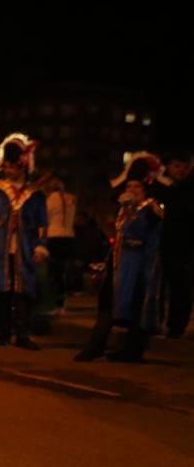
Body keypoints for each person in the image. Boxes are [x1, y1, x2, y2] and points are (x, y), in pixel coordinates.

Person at [76, 155, 164, 362]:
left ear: (145, 189)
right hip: (119, 263)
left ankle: (133, 350)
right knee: (107, 303)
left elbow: (141, 233)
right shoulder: (125, 208)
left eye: (136, 187)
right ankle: (97, 345)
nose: (131, 190)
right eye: (130, 186)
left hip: (140, 266)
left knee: (136, 306)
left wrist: (131, 209)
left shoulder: (151, 209)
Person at [0, 133, 49, 349]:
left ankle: (22, 333)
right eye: (6, 167)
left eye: (12, 167)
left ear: (22, 166)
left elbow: (42, 222)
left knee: (23, 290)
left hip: (24, 246)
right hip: (0, 245)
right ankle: (4, 331)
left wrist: (40, 244)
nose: (8, 171)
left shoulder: (35, 194)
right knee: (3, 290)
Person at [157, 152, 192, 338]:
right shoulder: (159, 188)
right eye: (177, 166)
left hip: (183, 248)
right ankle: (155, 323)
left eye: (186, 167)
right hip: (159, 245)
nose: (182, 170)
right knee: (157, 288)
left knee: (181, 289)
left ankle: (175, 327)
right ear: (168, 167)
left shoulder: (188, 190)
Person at [42, 174, 77, 306]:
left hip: (54, 236)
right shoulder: (71, 198)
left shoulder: (50, 200)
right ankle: (64, 297)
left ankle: (56, 300)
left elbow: (45, 219)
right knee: (64, 270)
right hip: (69, 236)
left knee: (54, 270)